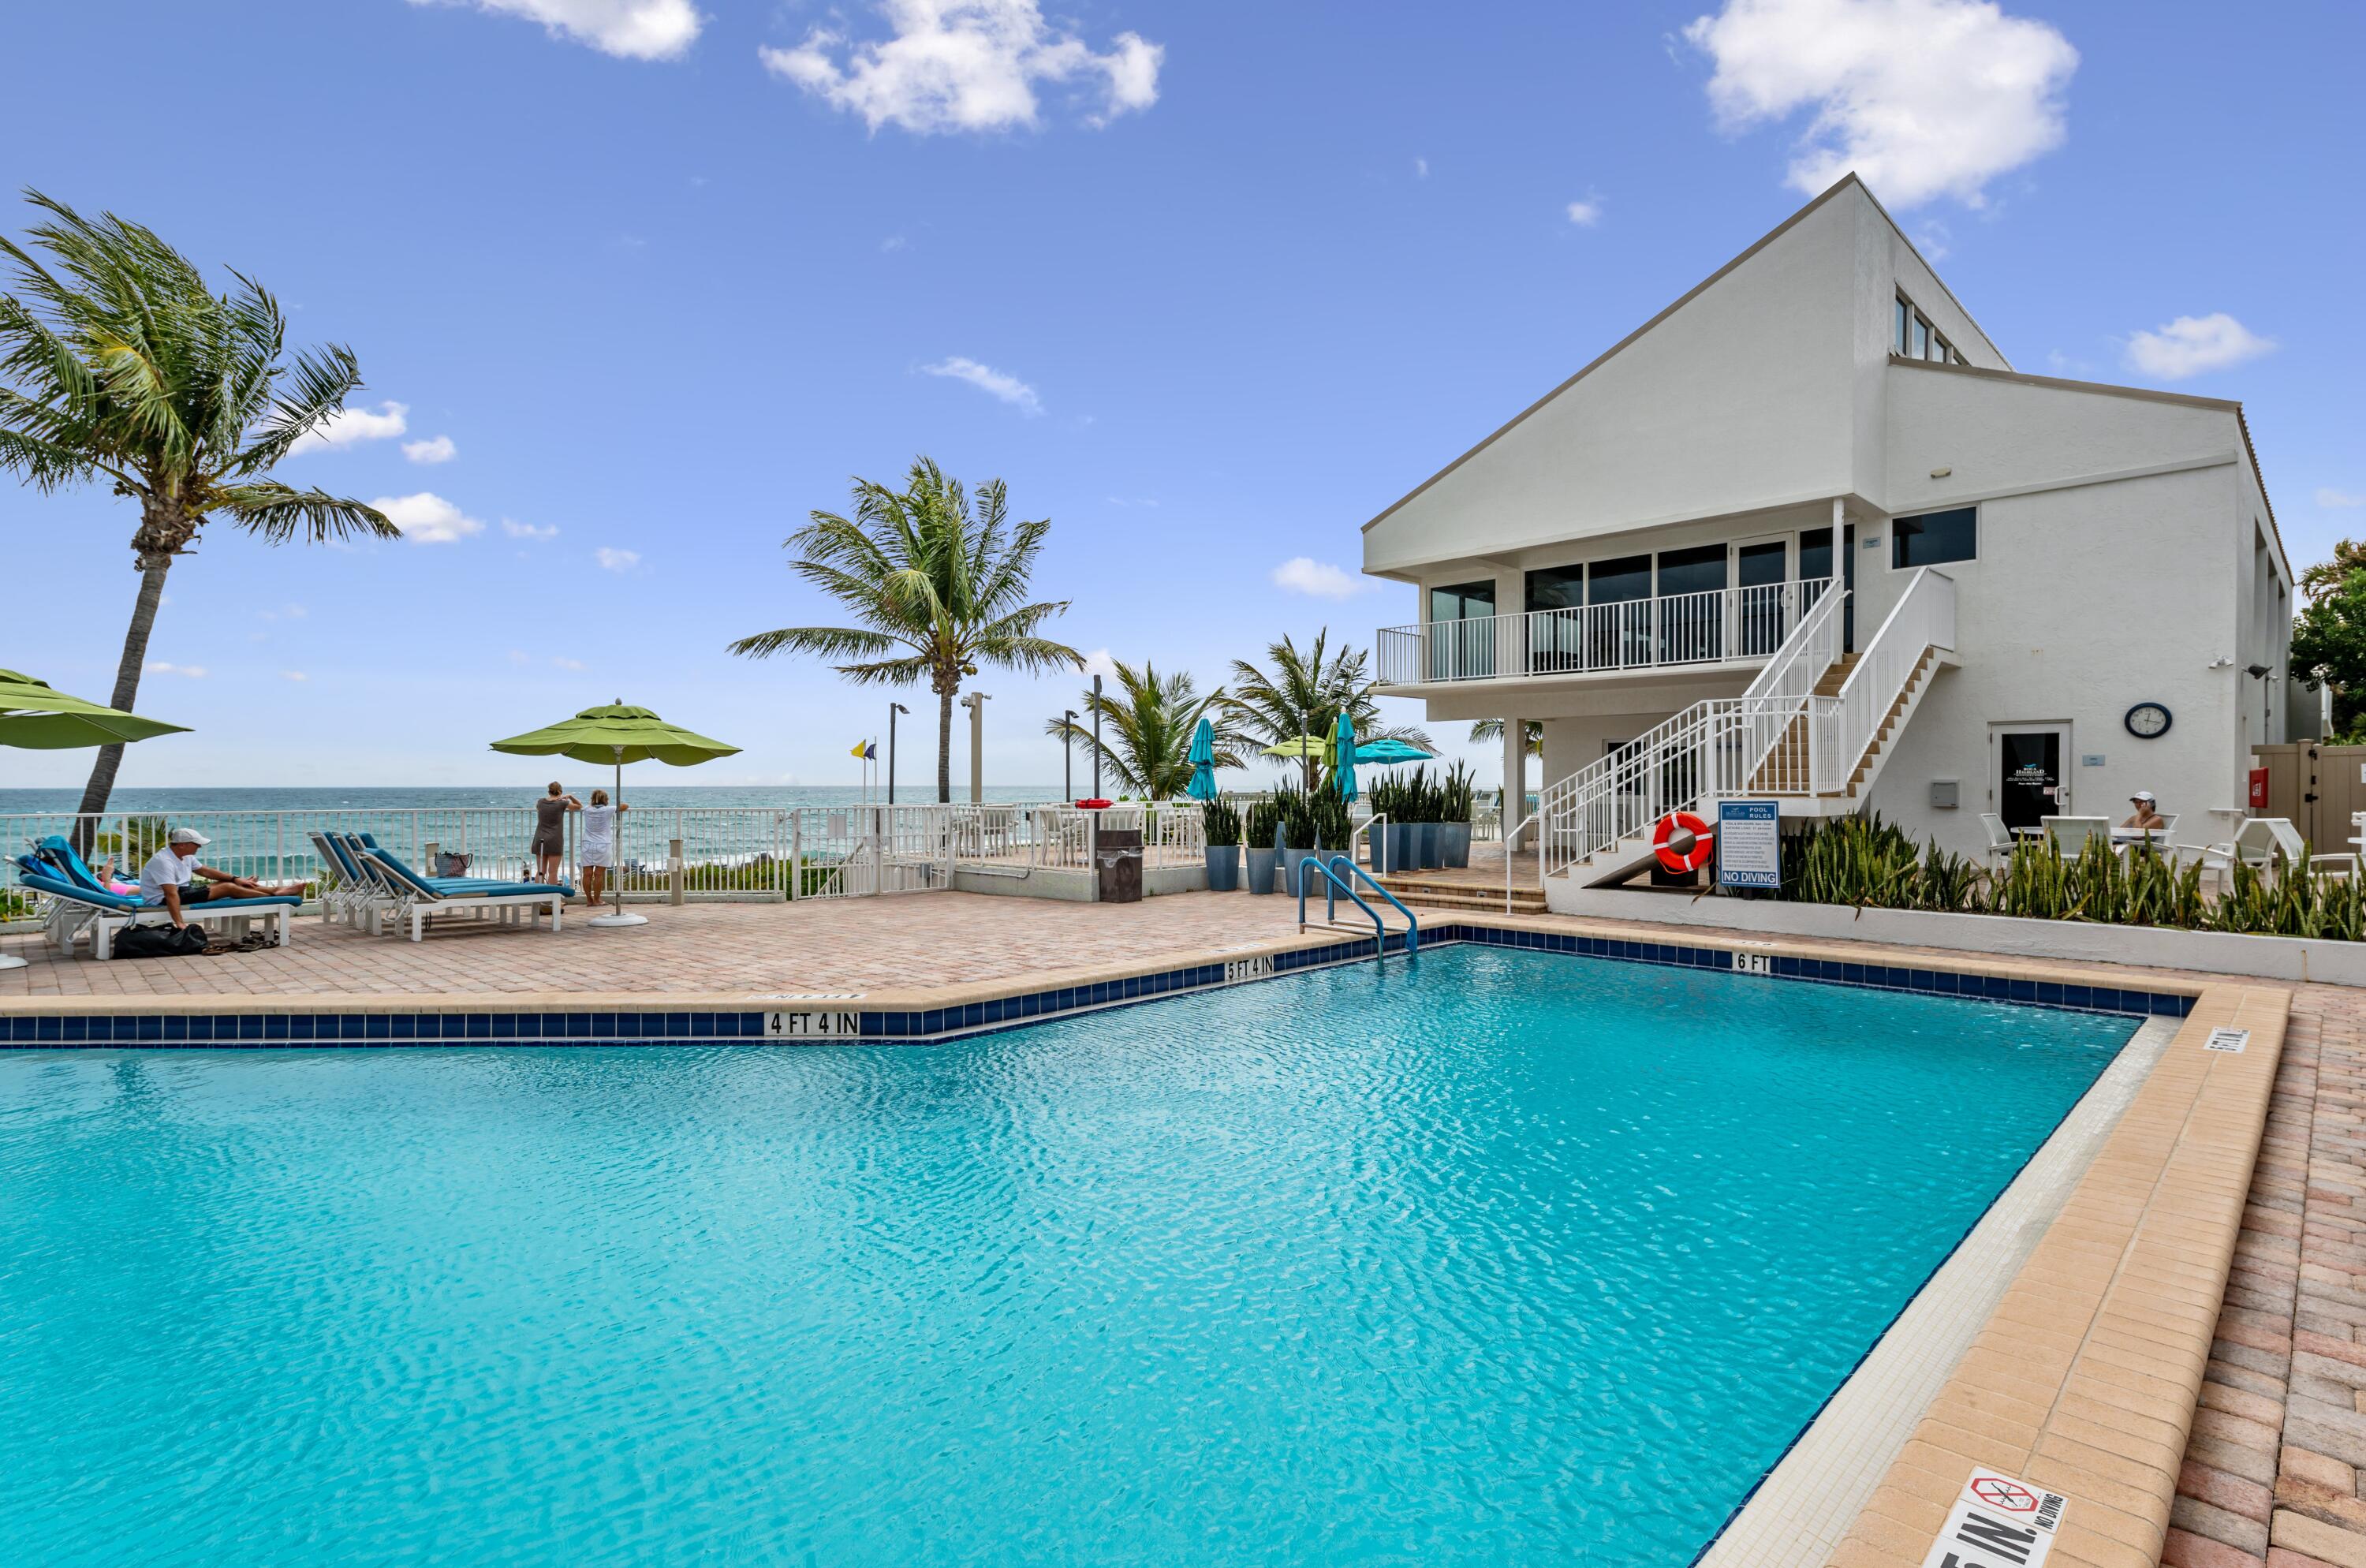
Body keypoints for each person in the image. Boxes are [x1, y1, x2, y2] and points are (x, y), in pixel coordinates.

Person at [137, 828, 303, 930]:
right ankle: (276, 895)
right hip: (161, 900)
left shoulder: (184, 856)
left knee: (229, 883)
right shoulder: (164, 861)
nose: (199, 847)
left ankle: (276, 891)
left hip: (182, 892)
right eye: (196, 844)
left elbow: (206, 871)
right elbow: (171, 894)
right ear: (182, 845)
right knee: (226, 889)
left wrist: (235, 879)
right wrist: (179, 922)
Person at [579, 789, 629, 913]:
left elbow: (586, 805)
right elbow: (625, 806)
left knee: (587, 874)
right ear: (605, 800)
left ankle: (589, 900)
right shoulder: (608, 809)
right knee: (599, 874)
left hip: (587, 844)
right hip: (603, 845)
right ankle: (597, 900)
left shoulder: (587, 809)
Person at [533, 782, 580, 887]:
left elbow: (538, 808)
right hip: (554, 839)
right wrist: (570, 797)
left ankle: (538, 896)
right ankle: (551, 898)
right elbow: (579, 806)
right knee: (553, 872)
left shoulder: (540, 802)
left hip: (539, 837)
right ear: (560, 791)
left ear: (549, 791)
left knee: (541, 871)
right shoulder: (562, 803)